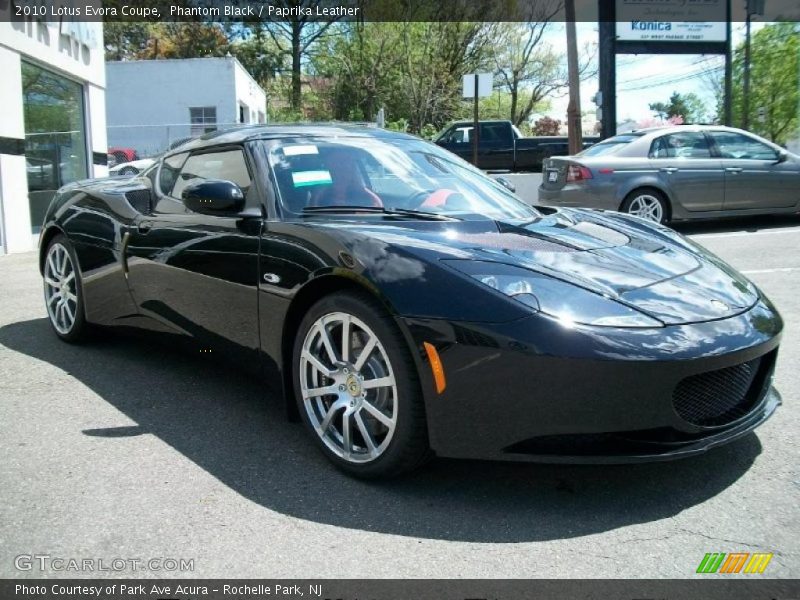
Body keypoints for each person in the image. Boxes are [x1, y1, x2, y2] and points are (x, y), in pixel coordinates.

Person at [310, 149, 382, 207]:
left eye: (347, 162)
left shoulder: (366, 197)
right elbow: (312, 215)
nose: (343, 168)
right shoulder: (320, 196)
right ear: (329, 167)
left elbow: (377, 213)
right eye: (338, 163)